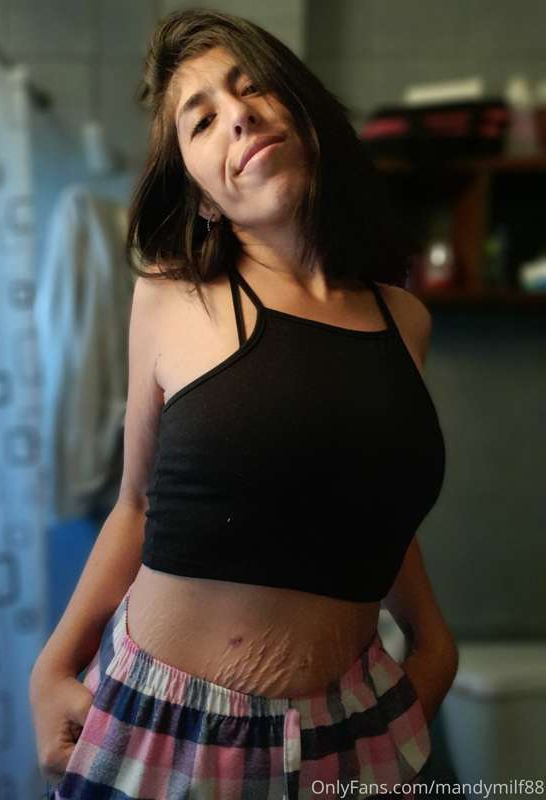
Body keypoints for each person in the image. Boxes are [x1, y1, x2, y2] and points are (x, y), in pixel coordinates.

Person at [29, 8, 459, 800]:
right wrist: (52, 667)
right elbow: (135, 504)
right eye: (201, 120)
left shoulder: (405, 320)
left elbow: (366, 498)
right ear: (202, 197)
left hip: (355, 725)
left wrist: (434, 643)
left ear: (304, 113)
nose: (238, 115)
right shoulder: (169, 298)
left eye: (253, 86)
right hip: (166, 727)